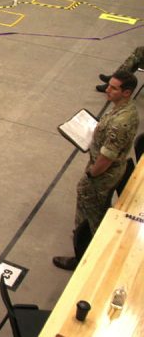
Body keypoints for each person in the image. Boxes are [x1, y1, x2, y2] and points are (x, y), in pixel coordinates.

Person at [53, 71, 140, 271]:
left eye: (114, 88)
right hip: (114, 169)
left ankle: (82, 258)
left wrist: (92, 174)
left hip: (102, 176)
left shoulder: (121, 122)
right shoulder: (125, 110)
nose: (107, 90)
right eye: (109, 85)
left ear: (126, 92)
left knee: (87, 220)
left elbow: (106, 158)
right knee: (96, 213)